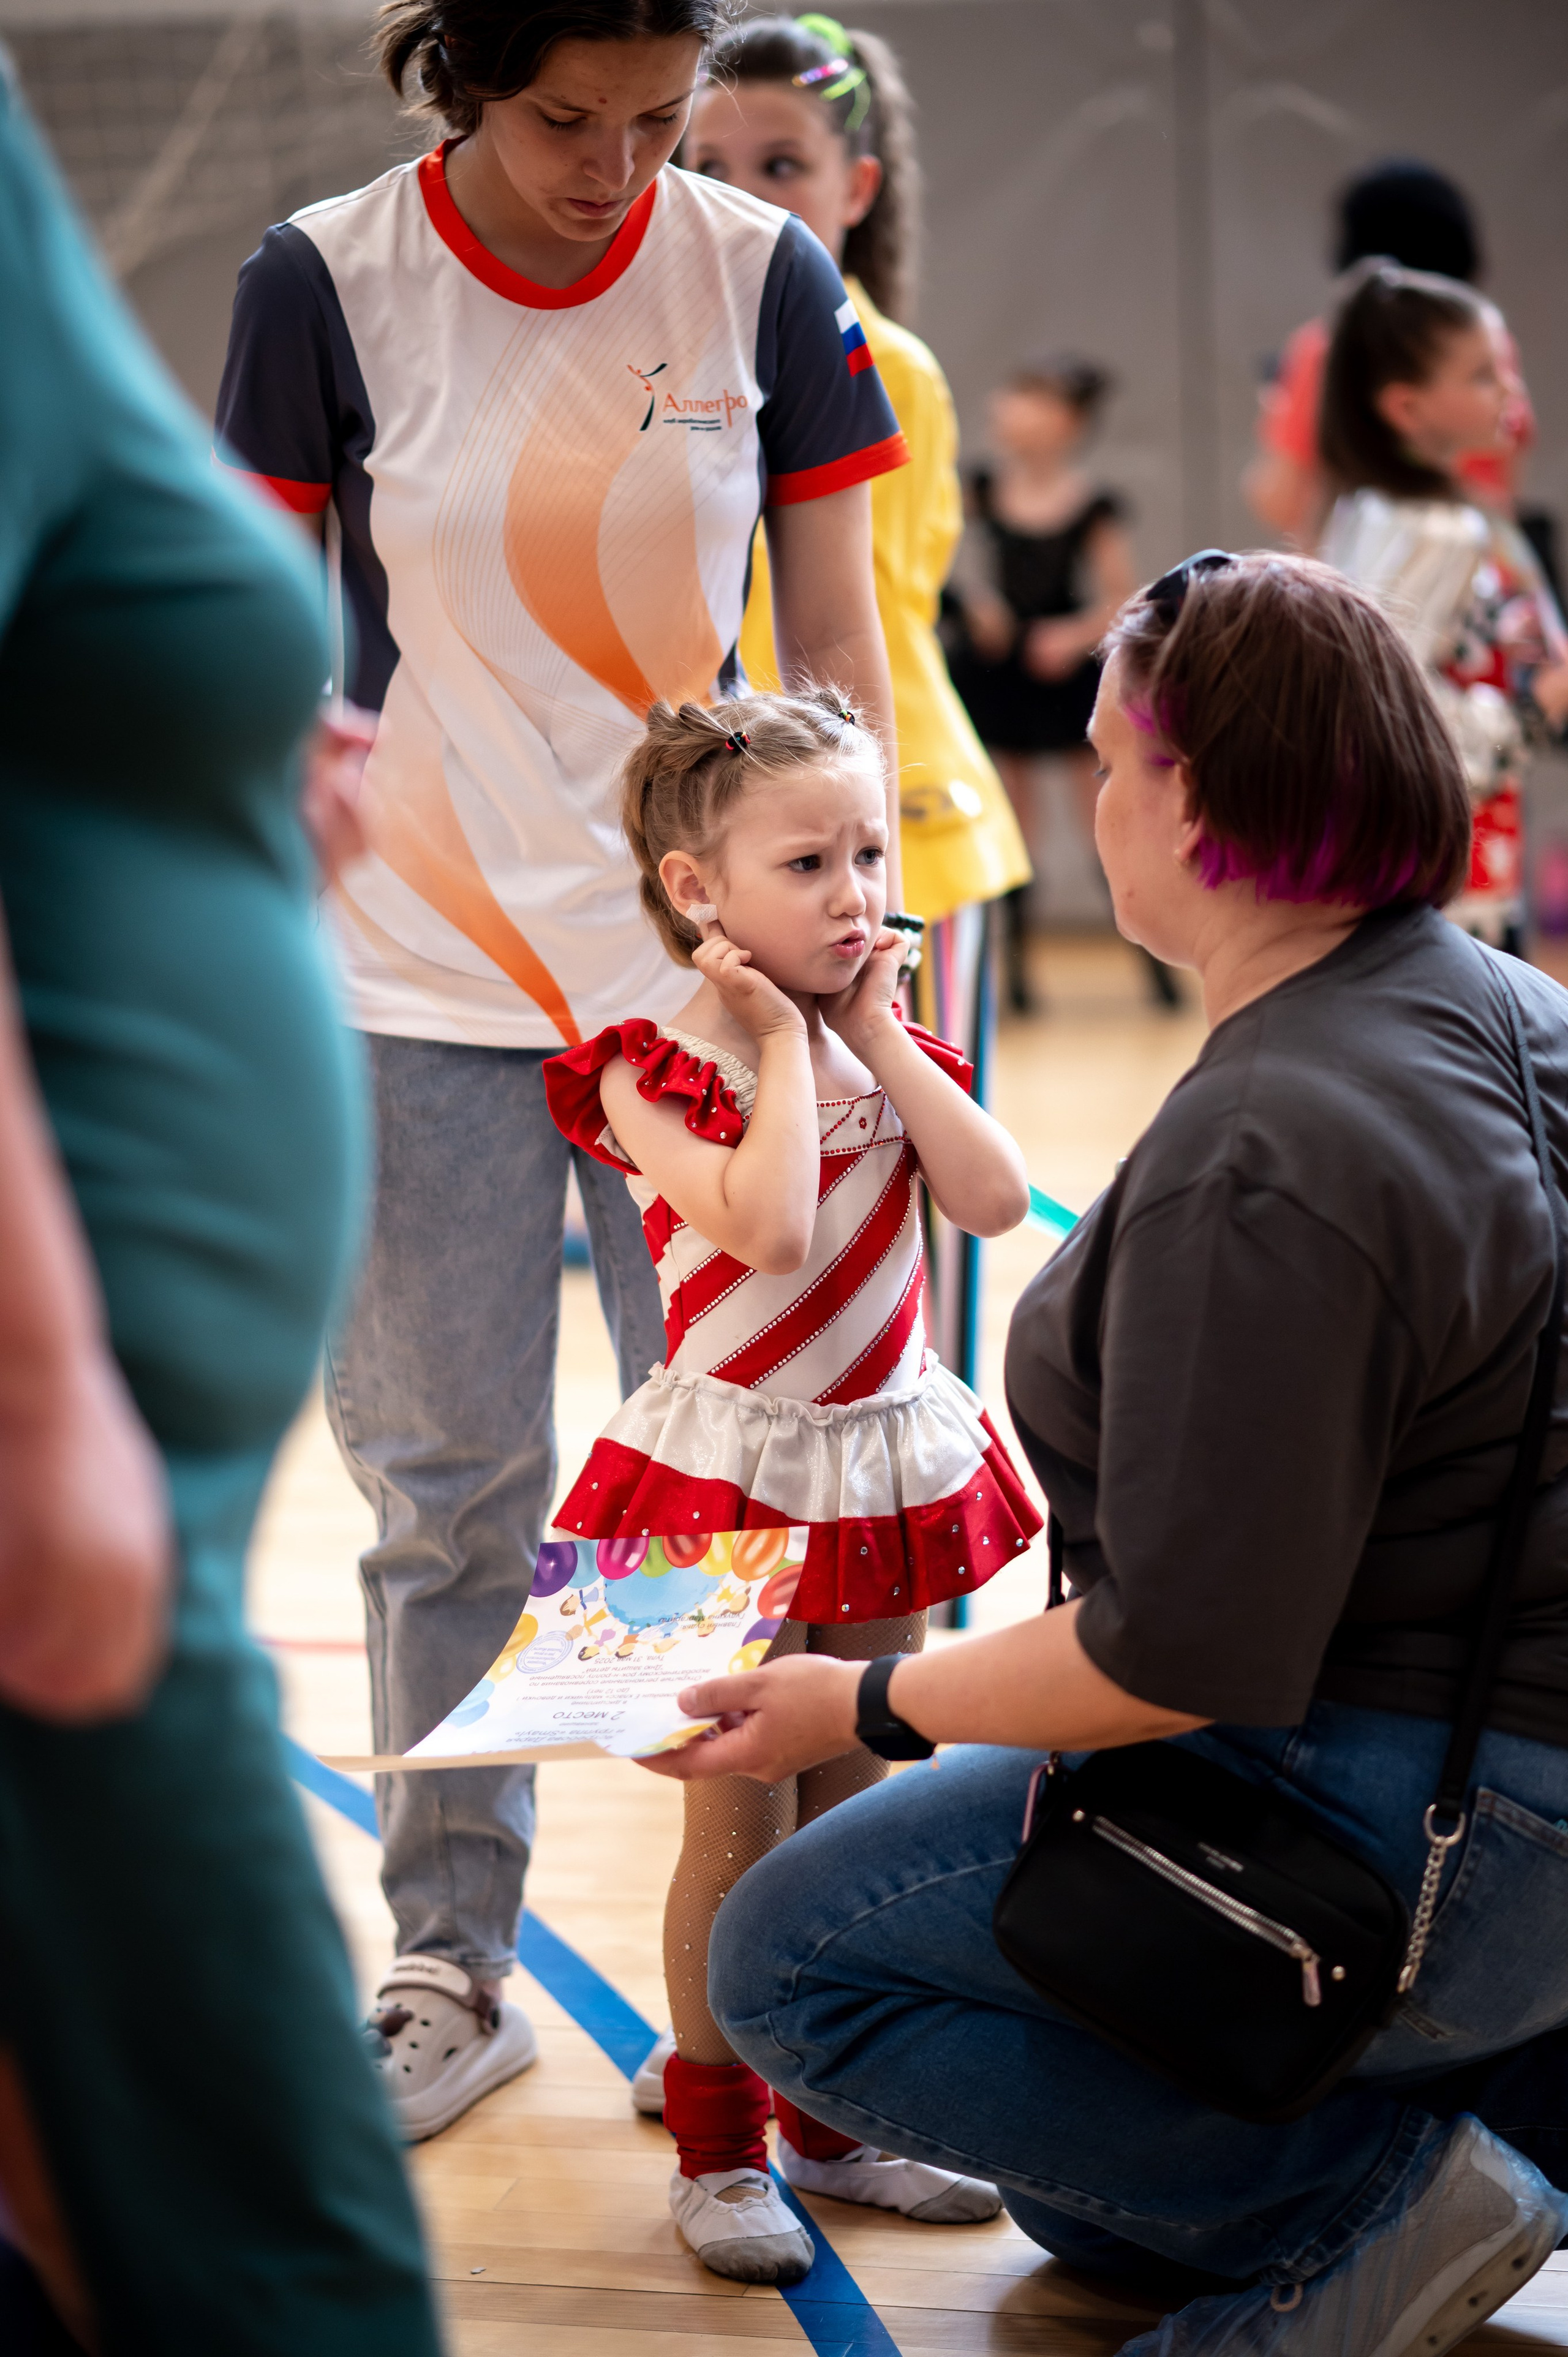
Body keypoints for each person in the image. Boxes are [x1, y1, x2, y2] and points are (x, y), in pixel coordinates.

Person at [641, 553, 1568, 2357]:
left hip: (1429, 1815)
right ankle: (1477, 2122)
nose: (1093, 802)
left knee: (783, 1959)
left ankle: (1370, 2212)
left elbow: (1173, 1657)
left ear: (1201, 803)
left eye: (1111, 761)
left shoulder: (1280, 1139)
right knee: (1081, 2191)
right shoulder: (1504, 1008)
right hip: (1512, 1763)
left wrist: (865, 1708)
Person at [214, 0, 910, 2140]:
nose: (613, 165)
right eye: (558, 121)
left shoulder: (765, 277)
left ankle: (788, 2012)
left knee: (758, 1493)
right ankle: (455, 1957)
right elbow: (252, 641)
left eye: (658, 115)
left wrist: (840, 946)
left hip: (701, 1003)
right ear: (460, 84)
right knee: (448, 1498)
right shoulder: (319, 281)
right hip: (405, 987)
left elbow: (832, 648)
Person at [0, 70, 439, 2357]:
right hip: (63, 1488)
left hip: (120, 1451)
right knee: (290, 2258)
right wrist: (34, 1390)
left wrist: (180, 780)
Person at [540, 688, 1039, 2280]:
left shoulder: (899, 1049)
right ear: (700, 897)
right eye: (809, 862)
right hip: (713, 1480)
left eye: (871, 854)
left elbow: (994, 1195)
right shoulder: (651, 1069)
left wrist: (878, 1036)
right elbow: (769, 1232)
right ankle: (717, 2141)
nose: (854, 893)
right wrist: (775, 1043)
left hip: (879, 1461)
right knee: (735, 1829)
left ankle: (827, 2114)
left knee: (852, 1799)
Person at [688, 12, 1031, 1265]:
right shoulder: (670, 357)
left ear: (856, 187)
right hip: (757, 824)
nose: (745, 202)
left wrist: (850, 852)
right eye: (708, 171)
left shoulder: (876, 361)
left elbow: (869, 609)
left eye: (781, 166)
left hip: (895, 831)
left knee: (914, 1213)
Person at [1318, 263, 1568, 952]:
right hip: (1450, 869)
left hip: (1443, 857)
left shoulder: (1375, 507)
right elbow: (1382, 710)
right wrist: (1524, 710)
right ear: (1406, 406)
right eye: (1483, 375)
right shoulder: (1431, 529)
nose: (1510, 390)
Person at [942, 358, 1156, 1011]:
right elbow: (928, 548)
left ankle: (1154, 968)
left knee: (1098, 812)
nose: (1009, 412)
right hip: (998, 667)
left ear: (1066, 422)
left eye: (1029, 401)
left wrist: (1070, 635)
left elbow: (1123, 596)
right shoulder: (980, 488)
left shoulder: (1090, 503)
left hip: (1061, 674)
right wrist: (971, 600)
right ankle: (1017, 975)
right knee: (1013, 824)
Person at [1245, 159, 1536, 548]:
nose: (1505, 390)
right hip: (1490, 559)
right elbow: (1506, 483)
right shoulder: (1488, 343)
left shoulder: (1326, 349)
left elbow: (1280, 500)